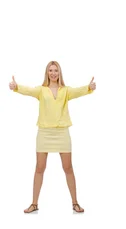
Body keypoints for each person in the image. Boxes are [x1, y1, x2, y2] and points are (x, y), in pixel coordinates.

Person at [8, 61, 96, 213]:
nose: (53, 73)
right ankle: (34, 204)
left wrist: (89, 88)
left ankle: (75, 203)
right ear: (47, 73)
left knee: (68, 167)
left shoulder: (65, 90)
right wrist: (16, 87)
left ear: (59, 73)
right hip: (44, 133)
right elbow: (27, 90)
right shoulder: (41, 90)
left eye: (56, 70)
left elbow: (78, 91)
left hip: (62, 133)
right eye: (51, 70)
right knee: (40, 168)